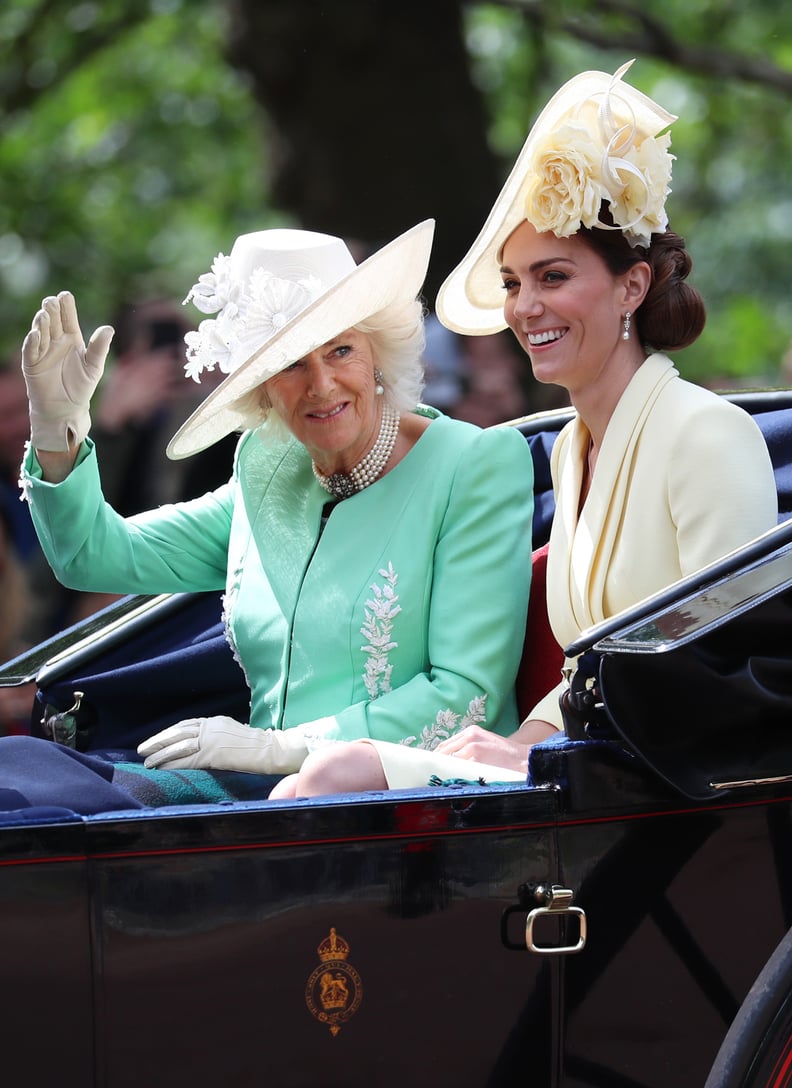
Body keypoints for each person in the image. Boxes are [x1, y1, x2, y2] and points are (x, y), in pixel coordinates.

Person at [273, 60, 777, 798]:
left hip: (665, 790)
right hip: (580, 766)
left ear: (631, 286)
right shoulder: (569, 450)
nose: (524, 307)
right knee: (312, 782)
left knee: (333, 777)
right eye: (514, 283)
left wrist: (536, 753)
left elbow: (720, 678)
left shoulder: (708, 434)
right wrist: (520, 742)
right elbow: (584, 668)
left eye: (553, 277)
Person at [0, 219, 534, 812]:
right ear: (258, 388)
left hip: (399, 805)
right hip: (258, 798)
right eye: (289, 364)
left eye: (341, 349)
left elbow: (467, 697)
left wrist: (282, 748)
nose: (322, 385)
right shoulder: (271, 468)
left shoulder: (474, 464)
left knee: (62, 805)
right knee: (23, 778)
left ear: (378, 351)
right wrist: (57, 431)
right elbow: (94, 555)